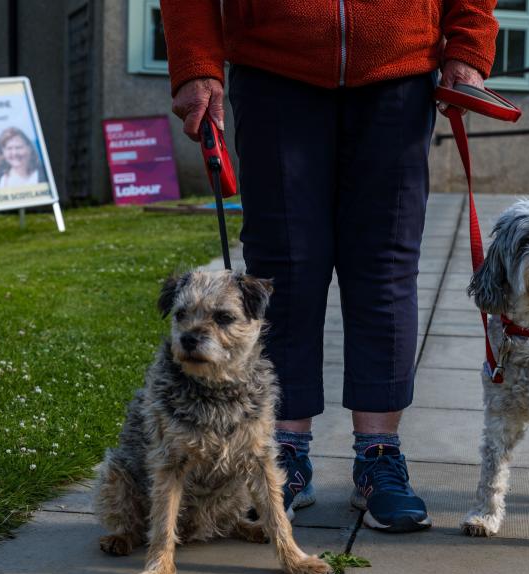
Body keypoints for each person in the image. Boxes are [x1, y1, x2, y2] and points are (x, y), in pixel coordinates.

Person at [161, 2, 498, 532]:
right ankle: (283, 453)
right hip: (274, 67)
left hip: (399, 69)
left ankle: (379, 456)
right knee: (282, 270)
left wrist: (469, 45)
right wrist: (195, 62)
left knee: (385, 267)